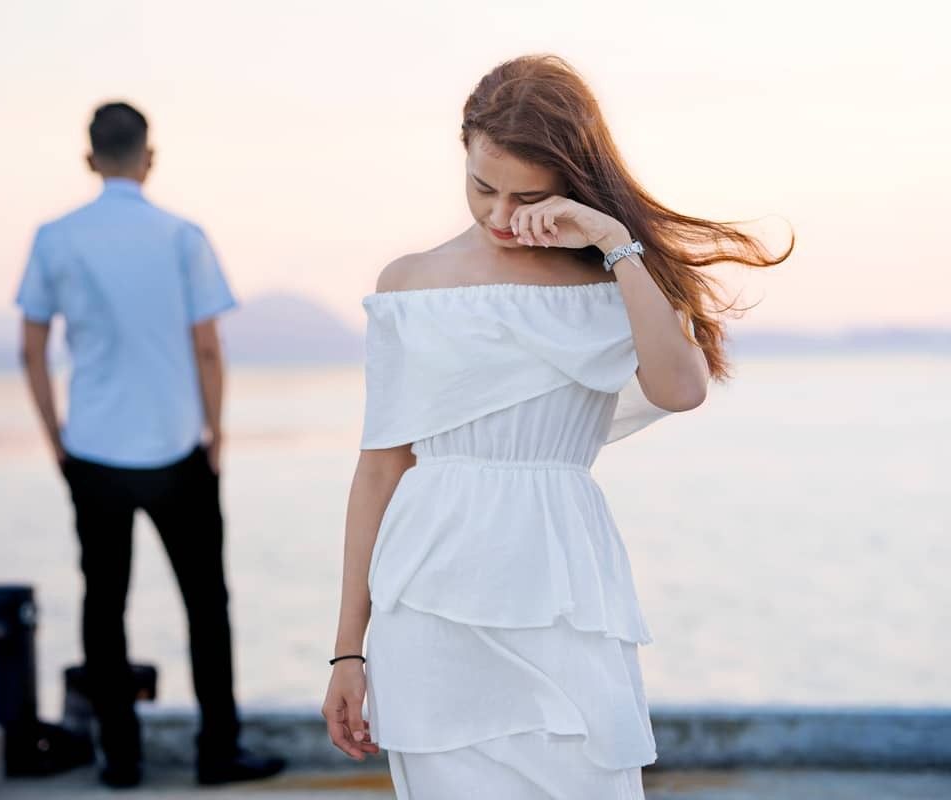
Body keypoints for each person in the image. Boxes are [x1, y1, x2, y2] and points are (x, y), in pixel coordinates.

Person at [322, 55, 790, 798]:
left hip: (565, 596)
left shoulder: (610, 282)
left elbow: (680, 388)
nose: (501, 215)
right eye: (482, 187)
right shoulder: (408, 285)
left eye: (528, 195)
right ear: (463, 152)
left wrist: (614, 240)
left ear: (573, 179)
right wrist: (348, 653)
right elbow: (380, 469)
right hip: (429, 604)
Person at [16, 101, 286, 789]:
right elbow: (207, 346)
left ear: (88, 158)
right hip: (177, 449)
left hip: (95, 451)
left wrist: (58, 441)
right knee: (206, 604)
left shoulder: (55, 237)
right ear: (149, 156)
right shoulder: (182, 236)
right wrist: (216, 431)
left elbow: (32, 348)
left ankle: (121, 760)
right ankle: (218, 752)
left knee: (103, 606)